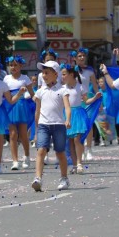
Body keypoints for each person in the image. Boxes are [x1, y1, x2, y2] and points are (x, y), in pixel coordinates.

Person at [31, 60, 71, 192]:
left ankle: (64, 178)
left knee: (60, 153)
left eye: (47, 72)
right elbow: (37, 111)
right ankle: (38, 178)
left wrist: (68, 120)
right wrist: (36, 131)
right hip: (43, 125)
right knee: (41, 150)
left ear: (55, 74)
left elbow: (67, 107)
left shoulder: (62, 90)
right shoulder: (40, 91)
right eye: (43, 72)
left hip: (59, 125)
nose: (44, 75)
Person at [61, 63, 102, 174]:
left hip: (78, 114)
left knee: (77, 140)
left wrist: (95, 97)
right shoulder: (62, 88)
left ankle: (79, 163)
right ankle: (74, 164)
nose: (62, 76)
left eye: (64, 74)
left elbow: (86, 101)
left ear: (71, 74)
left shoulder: (80, 87)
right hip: (66, 115)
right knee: (70, 141)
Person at [3, 55, 35, 170]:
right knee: (12, 135)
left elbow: (32, 94)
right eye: (11, 65)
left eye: (15, 65)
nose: (13, 67)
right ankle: (15, 160)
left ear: (21, 66)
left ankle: (26, 156)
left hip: (22, 107)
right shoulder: (6, 79)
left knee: (23, 134)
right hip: (10, 106)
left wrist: (39, 102)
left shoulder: (25, 78)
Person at [71, 48, 99, 161]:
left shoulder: (90, 70)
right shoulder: (71, 70)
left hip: (87, 99)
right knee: (77, 126)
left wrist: (98, 99)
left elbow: (95, 85)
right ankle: (79, 150)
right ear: (74, 58)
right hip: (74, 100)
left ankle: (89, 149)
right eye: (79, 56)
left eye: (83, 55)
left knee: (88, 124)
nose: (82, 58)